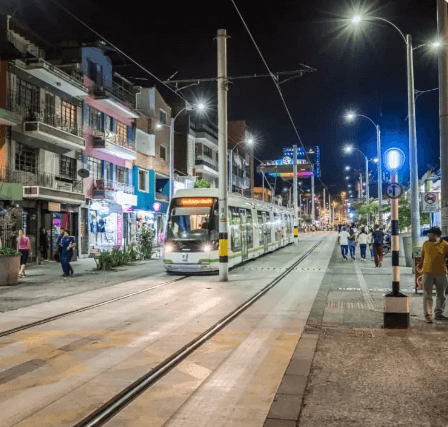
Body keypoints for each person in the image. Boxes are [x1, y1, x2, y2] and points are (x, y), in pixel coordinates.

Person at [419, 226, 448, 323]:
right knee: (427, 294)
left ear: (436, 235)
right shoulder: (425, 244)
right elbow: (422, 257)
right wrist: (422, 267)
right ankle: (428, 315)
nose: (428, 235)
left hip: (441, 273)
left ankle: (439, 313)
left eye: (430, 234)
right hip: (427, 272)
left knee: (441, 295)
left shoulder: (445, 245)